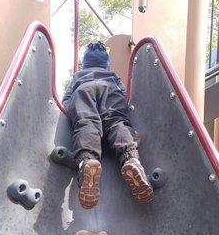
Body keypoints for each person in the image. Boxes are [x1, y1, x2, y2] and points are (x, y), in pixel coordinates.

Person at [63, 41, 154, 209]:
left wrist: (70, 110)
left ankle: (88, 162)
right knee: (117, 122)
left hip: (83, 90)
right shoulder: (112, 75)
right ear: (106, 64)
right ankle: (131, 160)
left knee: (86, 124)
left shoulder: (78, 75)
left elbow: (66, 99)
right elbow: (124, 95)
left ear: (85, 63)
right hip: (110, 90)